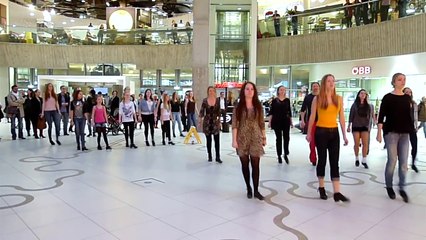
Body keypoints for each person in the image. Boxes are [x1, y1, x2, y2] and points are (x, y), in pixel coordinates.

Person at [306, 74, 350, 202]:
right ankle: (321, 187)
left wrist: (344, 135)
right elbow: (312, 116)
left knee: (335, 161)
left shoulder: (339, 99)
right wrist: (309, 133)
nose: (331, 83)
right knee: (322, 160)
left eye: (333, 81)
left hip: (334, 132)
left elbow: (341, 118)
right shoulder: (318, 99)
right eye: (329, 81)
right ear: (324, 83)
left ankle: (337, 192)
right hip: (321, 132)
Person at [376, 73, 413, 203]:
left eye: (404, 80)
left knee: (403, 163)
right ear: (394, 82)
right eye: (399, 79)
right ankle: (389, 186)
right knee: (392, 160)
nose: (402, 82)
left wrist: (412, 132)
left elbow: (409, 117)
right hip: (391, 132)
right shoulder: (388, 98)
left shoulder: (407, 98)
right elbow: (381, 116)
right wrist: (379, 132)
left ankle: (402, 188)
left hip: (405, 133)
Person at [232, 82, 266, 200]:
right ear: (243, 91)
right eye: (247, 89)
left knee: (256, 164)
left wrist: (264, 137)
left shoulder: (258, 106)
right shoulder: (238, 106)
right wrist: (234, 140)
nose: (250, 91)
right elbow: (235, 124)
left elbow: (262, 123)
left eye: (252, 89)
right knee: (245, 164)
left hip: (256, 137)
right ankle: (248, 187)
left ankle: (256, 190)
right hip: (242, 138)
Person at [347, 89, 374, 169]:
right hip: (356, 126)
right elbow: (351, 115)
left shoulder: (368, 106)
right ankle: (356, 158)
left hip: (365, 126)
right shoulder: (354, 105)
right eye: (361, 93)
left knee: (365, 143)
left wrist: (370, 125)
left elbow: (370, 117)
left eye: (364, 94)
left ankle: (364, 160)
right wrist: (349, 125)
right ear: (358, 95)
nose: (363, 95)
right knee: (356, 143)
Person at [268, 86, 293, 164]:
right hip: (277, 121)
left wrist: (291, 122)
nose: (282, 91)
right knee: (278, 138)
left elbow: (289, 111)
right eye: (281, 90)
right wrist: (269, 122)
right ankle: (279, 155)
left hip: (286, 121)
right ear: (278, 91)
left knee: (286, 137)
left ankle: (286, 153)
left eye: (284, 90)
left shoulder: (287, 100)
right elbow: (271, 112)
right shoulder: (275, 101)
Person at [199, 86, 222, 163]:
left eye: (212, 91)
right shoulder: (205, 101)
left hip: (215, 122)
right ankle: (209, 155)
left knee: (217, 140)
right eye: (210, 91)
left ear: (214, 92)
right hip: (207, 123)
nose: (211, 92)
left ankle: (218, 156)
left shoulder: (218, 100)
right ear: (208, 92)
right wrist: (200, 121)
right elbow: (202, 111)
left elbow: (219, 112)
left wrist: (220, 122)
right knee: (209, 141)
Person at [300, 82, 320, 166]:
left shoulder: (323, 96)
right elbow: (303, 109)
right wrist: (302, 120)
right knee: (312, 141)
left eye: (316, 86)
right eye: (313, 86)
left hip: (322, 122)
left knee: (320, 141)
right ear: (312, 88)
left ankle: (321, 157)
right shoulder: (308, 97)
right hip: (311, 121)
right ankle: (313, 158)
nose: (315, 87)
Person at [403, 87, 418, 173]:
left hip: (412, 127)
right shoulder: (400, 102)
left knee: (414, 145)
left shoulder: (414, 103)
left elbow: (415, 116)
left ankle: (413, 163)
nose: (408, 93)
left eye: (410, 92)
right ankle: (404, 163)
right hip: (403, 128)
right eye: (406, 92)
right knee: (404, 147)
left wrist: (416, 126)